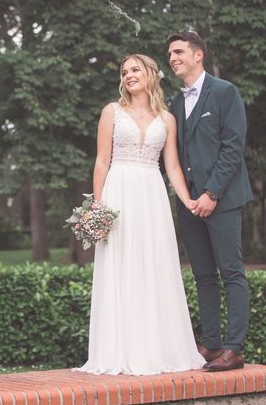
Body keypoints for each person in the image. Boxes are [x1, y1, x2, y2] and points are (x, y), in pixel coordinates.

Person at [75, 54, 205, 375]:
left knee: (153, 264)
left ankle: (156, 348)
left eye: (135, 70)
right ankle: (119, 350)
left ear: (150, 74)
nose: (129, 75)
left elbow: (172, 165)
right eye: (125, 72)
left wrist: (188, 200)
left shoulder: (167, 118)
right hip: (119, 191)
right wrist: (98, 205)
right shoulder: (112, 112)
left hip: (152, 194)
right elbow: (102, 161)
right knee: (121, 264)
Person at [167, 32, 253, 372]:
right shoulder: (175, 101)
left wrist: (211, 193)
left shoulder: (224, 92)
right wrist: (188, 198)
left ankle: (234, 348)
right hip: (189, 204)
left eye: (178, 51)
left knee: (232, 272)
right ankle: (212, 345)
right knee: (203, 275)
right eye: (170, 53)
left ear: (198, 54)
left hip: (222, 200)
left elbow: (233, 147)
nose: (172, 58)